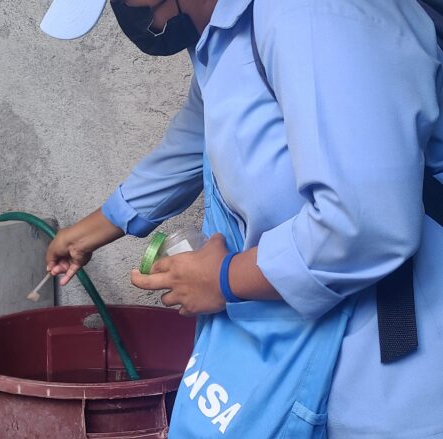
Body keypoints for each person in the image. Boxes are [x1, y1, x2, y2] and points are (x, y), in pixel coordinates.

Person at [42, 0, 443, 437]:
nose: (127, 14)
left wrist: (225, 280)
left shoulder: (311, 14)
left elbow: (364, 223)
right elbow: (198, 136)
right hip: (305, 341)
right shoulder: (223, 35)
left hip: (387, 360)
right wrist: (93, 230)